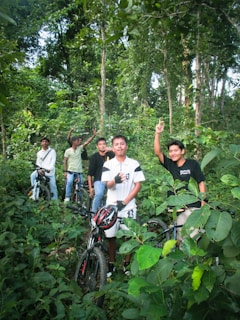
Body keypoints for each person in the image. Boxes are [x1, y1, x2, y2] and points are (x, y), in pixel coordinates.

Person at [154, 120, 206, 241]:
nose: (173, 153)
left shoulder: (192, 164)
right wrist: (157, 133)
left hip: (192, 207)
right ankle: (184, 259)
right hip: (176, 208)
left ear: (182, 151)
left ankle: (193, 259)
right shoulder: (170, 164)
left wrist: (203, 203)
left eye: (176, 150)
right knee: (180, 239)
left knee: (193, 237)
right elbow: (158, 152)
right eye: (171, 151)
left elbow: (201, 182)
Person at [101, 135, 145, 276]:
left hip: (129, 206)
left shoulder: (133, 164)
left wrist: (126, 201)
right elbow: (107, 184)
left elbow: (138, 184)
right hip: (112, 206)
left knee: (129, 236)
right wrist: (115, 180)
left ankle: (126, 263)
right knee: (110, 237)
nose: (119, 146)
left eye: (122, 144)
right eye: (116, 144)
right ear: (112, 148)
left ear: (126, 146)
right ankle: (112, 262)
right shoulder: (108, 164)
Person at [63, 129, 97, 203]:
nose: (79, 142)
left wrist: (93, 136)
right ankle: (67, 197)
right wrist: (65, 171)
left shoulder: (80, 148)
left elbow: (87, 142)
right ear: (73, 142)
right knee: (69, 182)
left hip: (79, 171)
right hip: (70, 171)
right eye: (77, 141)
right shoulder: (68, 151)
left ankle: (79, 199)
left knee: (80, 184)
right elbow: (65, 161)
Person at [87, 138, 115, 213]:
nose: (102, 146)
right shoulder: (94, 157)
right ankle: (93, 213)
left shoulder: (111, 155)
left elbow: (121, 154)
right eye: (100, 144)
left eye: (104, 144)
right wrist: (90, 188)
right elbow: (89, 174)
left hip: (110, 179)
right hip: (99, 179)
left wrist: (111, 149)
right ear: (97, 146)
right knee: (99, 194)